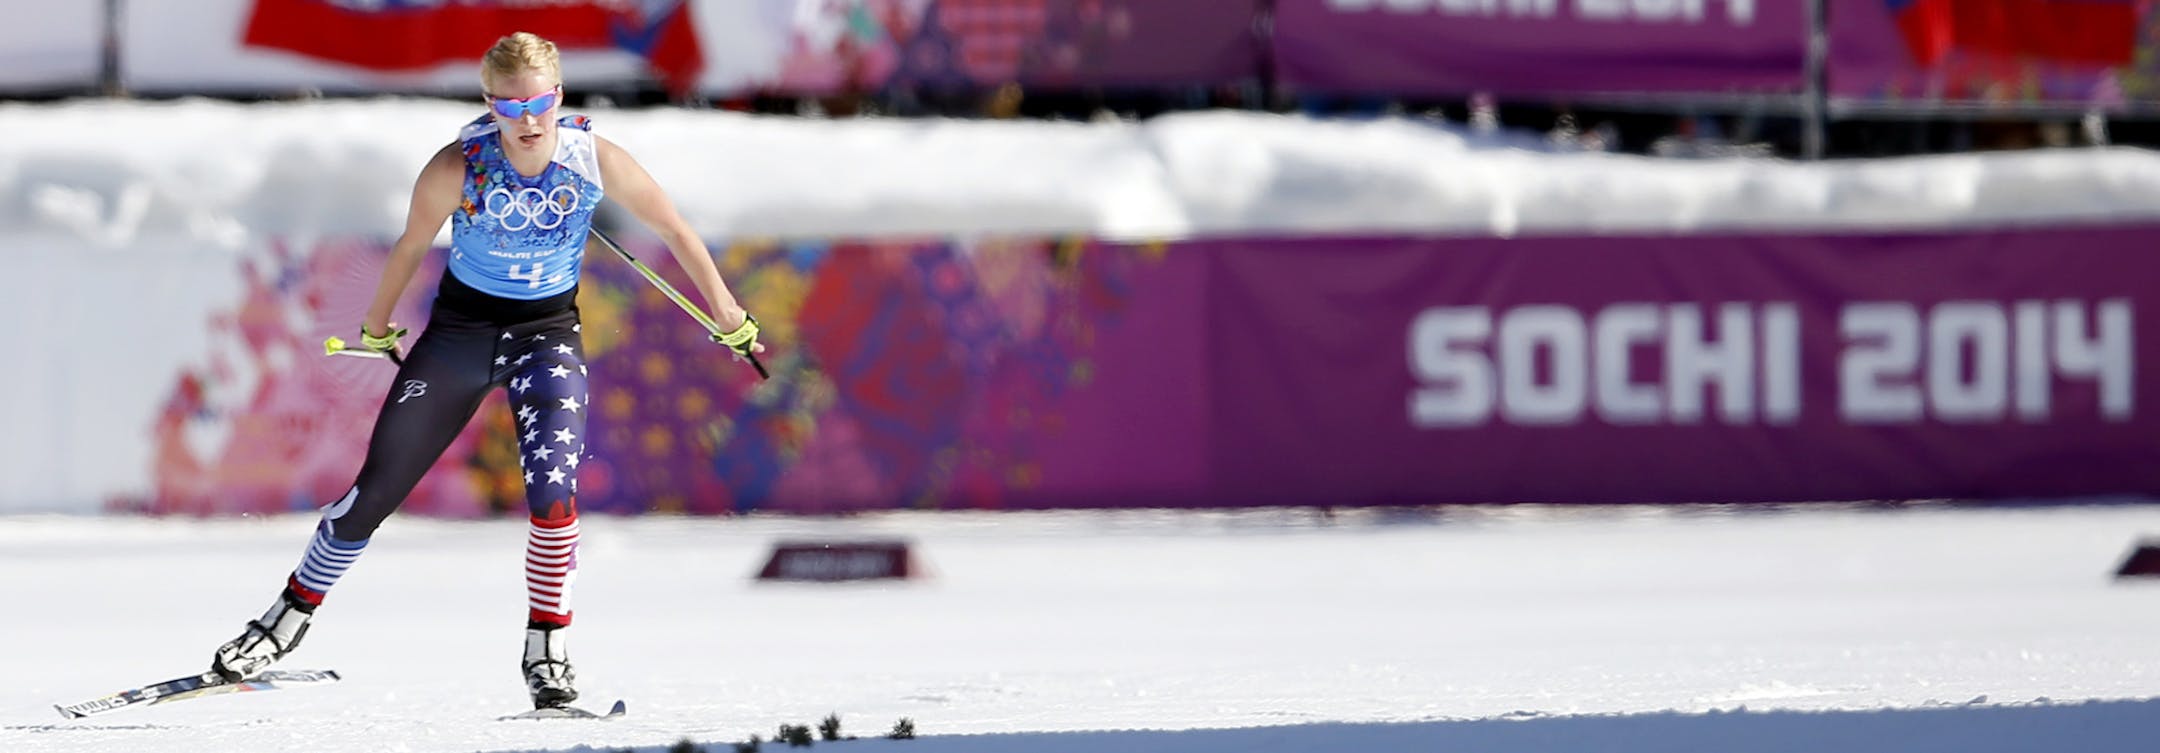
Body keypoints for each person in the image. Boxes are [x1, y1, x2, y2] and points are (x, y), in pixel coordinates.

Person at [209, 31, 765, 710]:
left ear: (559, 96)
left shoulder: (594, 157)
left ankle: (547, 647)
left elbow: (677, 228)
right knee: (377, 488)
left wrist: (729, 314)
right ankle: (284, 619)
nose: (527, 121)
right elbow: (412, 245)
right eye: (509, 106)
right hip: (460, 334)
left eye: (539, 103)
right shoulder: (458, 165)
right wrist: (377, 326)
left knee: (554, 495)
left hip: (547, 335)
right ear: (487, 103)